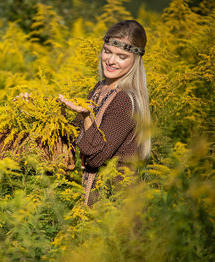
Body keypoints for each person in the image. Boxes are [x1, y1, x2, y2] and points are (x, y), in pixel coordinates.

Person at [58, 20, 151, 206]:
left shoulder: (125, 100)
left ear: (135, 60)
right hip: (96, 203)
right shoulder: (100, 89)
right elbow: (73, 135)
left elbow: (96, 157)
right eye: (107, 51)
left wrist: (86, 116)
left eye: (121, 56)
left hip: (116, 208)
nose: (110, 60)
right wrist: (34, 111)